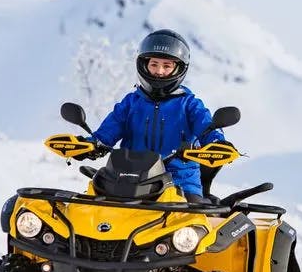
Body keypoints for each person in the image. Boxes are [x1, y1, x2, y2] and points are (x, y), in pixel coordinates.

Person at [87, 29, 226, 202]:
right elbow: (107, 132)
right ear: (144, 64)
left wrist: (217, 143)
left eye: (167, 66)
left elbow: (207, 126)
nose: (159, 71)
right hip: (128, 179)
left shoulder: (189, 104)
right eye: (154, 64)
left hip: (179, 182)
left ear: (179, 68)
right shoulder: (131, 103)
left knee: (194, 221)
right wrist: (90, 144)